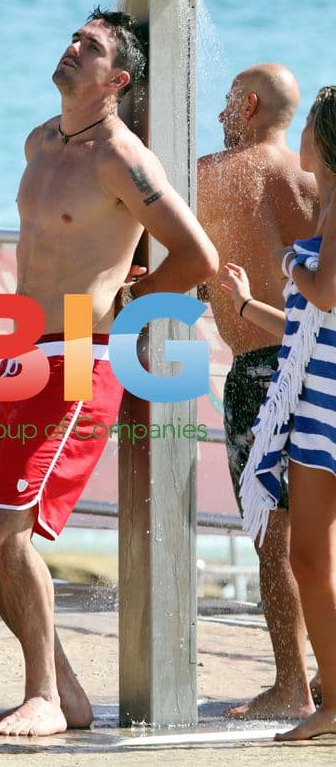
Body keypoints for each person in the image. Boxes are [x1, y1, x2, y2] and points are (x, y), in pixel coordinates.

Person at [0, 7, 218, 737]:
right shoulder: (39, 139)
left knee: (8, 528)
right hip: (12, 341)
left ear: (117, 79)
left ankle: (41, 693)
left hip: (77, 348)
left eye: (90, 48)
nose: (72, 50)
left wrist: (128, 298)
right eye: (74, 40)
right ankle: (62, 688)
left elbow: (200, 258)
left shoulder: (123, 158)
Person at [198, 64, 320, 720]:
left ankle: (288, 682)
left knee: (272, 535)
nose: (220, 112)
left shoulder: (219, 170)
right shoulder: (307, 180)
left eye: (225, 101)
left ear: (247, 104)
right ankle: (325, 674)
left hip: (261, 367)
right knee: (315, 531)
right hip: (316, 363)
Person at [220, 85, 336, 740]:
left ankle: (318, 696)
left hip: (326, 401)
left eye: (314, 128)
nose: (305, 138)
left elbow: (324, 289)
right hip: (316, 391)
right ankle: (328, 697)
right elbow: (308, 322)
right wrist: (244, 304)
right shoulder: (326, 202)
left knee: (304, 555)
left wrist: (293, 261)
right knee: (310, 557)